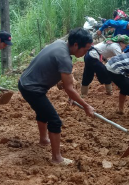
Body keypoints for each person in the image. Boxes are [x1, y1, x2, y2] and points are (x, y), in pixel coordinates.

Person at [17, 29, 97, 167]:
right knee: (55, 121)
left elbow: (64, 81)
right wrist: (86, 106)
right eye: (86, 49)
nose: (86, 53)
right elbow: (69, 88)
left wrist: (71, 94)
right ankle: (57, 158)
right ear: (76, 45)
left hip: (25, 83)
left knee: (43, 112)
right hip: (32, 89)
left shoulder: (60, 44)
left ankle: (44, 140)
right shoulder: (65, 58)